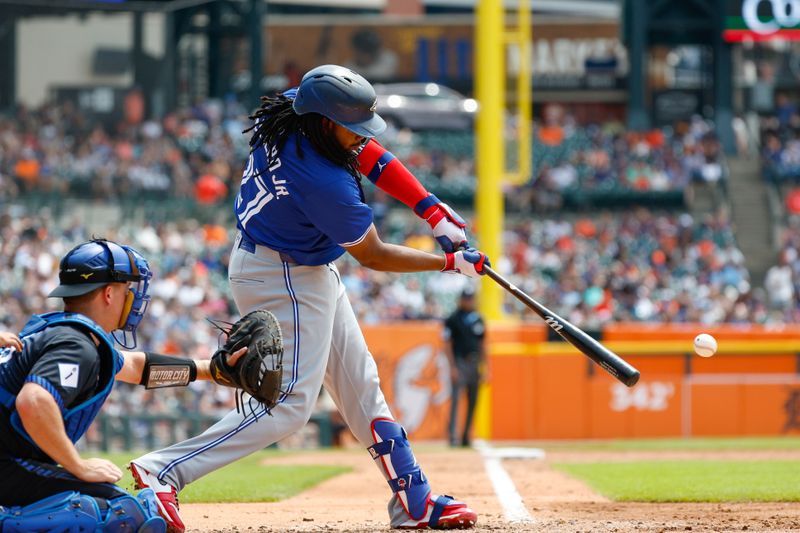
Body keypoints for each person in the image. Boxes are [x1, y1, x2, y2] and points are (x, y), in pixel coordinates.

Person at [130, 64, 489, 531]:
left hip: (292, 263)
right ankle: (163, 471)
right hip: (282, 272)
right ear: (325, 122)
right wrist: (449, 263)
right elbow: (374, 256)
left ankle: (413, 501)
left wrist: (430, 207)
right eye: (352, 128)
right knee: (290, 406)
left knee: (361, 386)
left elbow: (371, 156)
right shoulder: (321, 180)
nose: (361, 137)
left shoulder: (296, 110)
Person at [0, 239, 246, 532]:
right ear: (108, 293)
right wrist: (78, 465)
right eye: (127, 289)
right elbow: (34, 401)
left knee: (127, 509)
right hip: (6, 463)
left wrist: (213, 371)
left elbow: (137, 368)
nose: (132, 297)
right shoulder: (77, 344)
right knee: (124, 515)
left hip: (9, 461)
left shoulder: (62, 332)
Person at [443, 288, 485, 448]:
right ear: (460, 299)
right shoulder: (453, 319)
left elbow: (483, 344)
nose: (468, 301)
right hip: (460, 362)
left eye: (470, 298)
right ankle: (453, 436)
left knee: (473, 401)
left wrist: (485, 367)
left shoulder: (478, 318)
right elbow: (447, 344)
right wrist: (452, 366)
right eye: (466, 298)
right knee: (455, 401)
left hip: (474, 363)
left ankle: (466, 436)